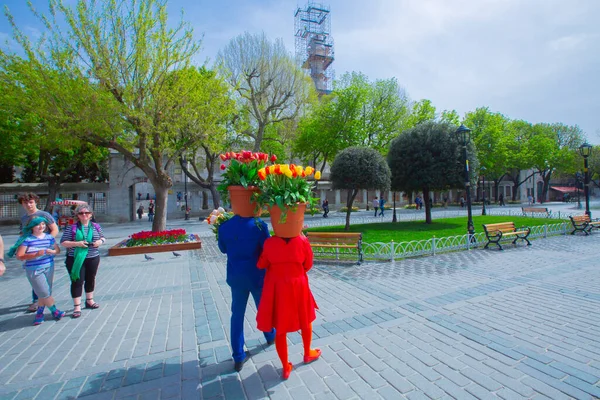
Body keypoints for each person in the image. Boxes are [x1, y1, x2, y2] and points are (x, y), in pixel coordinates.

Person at [256, 233, 321, 380]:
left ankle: (285, 366)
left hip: (277, 287)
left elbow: (261, 264)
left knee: (280, 326)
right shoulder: (302, 239)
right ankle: (307, 353)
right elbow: (308, 264)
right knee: (305, 318)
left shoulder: (269, 242)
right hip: (298, 283)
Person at [218, 215, 275, 372]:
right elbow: (266, 248)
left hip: (236, 276)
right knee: (263, 309)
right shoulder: (258, 225)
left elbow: (223, 249)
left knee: (236, 315)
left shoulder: (225, 226)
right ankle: (270, 336)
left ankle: (238, 355)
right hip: (256, 276)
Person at [8, 217, 65, 325]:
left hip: (49, 266)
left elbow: (57, 250)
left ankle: (40, 313)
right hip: (34, 269)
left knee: (43, 292)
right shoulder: (27, 239)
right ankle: (55, 311)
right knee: (44, 292)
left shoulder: (49, 237)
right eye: (38, 224)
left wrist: (52, 251)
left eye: (43, 224)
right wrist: (36, 254)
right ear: (32, 227)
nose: (41, 227)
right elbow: (19, 256)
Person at [60, 205, 106, 318]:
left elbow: (103, 237)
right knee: (77, 281)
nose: (84, 215)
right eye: (81, 213)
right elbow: (63, 242)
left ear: (91, 214)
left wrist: (100, 242)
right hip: (76, 258)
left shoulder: (96, 226)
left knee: (91, 279)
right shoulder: (72, 227)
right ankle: (77, 306)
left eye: (86, 213)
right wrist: (77, 244)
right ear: (77, 215)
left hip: (93, 257)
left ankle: (89, 300)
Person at [18, 193, 59, 313]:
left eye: (31, 202)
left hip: (44, 249)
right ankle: (37, 301)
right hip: (31, 250)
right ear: (22, 204)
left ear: (35, 202)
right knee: (35, 275)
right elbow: (24, 233)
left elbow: (55, 228)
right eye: (26, 203)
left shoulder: (44, 214)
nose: (29, 205)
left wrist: (46, 241)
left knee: (45, 276)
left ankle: (43, 300)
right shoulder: (24, 217)